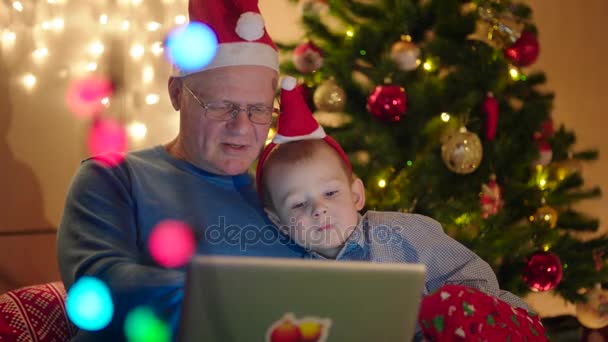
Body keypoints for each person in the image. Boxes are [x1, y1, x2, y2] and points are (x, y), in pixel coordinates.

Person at [56, 1, 305, 340]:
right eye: (222, 107)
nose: (242, 127)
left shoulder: (280, 194)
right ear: (177, 93)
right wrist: (227, 293)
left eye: (259, 110)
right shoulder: (114, 179)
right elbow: (97, 285)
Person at [257, 76, 548, 341]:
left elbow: (475, 279)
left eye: (330, 193)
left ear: (357, 195)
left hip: (488, 326)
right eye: (298, 204)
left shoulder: (399, 233)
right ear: (279, 222)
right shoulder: (296, 277)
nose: (318, 209)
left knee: (450, 303)